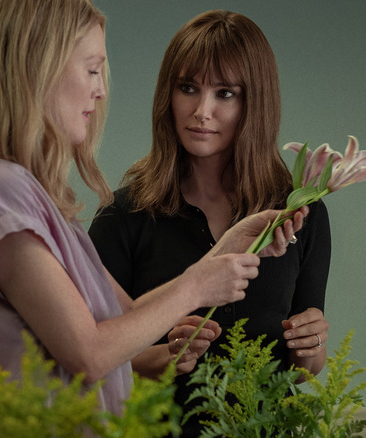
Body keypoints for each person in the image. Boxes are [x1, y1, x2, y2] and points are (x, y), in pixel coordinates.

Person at [0, 1, 307, 436]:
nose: (100, 92)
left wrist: (226, 251)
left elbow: (125, 316)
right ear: (35, 70)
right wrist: (197, 286)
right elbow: (90, 352)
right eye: (92, 69)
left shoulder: (23, 192)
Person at [88, 9, 332, 436]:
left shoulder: (300, 214)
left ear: (255, 102)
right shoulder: (121, 216)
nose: (202, 111)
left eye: (225, 93)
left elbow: (301, 371)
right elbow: (93, 355)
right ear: (168, 94)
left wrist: (311, 346)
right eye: (188, 88)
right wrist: (165, 356)